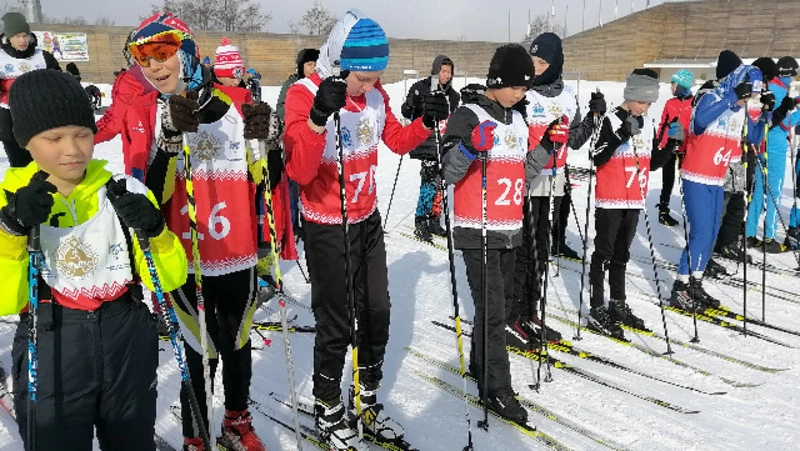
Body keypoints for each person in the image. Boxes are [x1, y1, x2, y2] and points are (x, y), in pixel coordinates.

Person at [283, 10, 448, 450]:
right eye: (361, 76)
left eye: (376, 76)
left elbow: (396, 139)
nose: (369, 85)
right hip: (325, 225)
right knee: (335, 323)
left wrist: (427, 123)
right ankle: (327, 406)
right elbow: (299, 172)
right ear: (339, 63)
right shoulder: (303, 94)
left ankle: (367, 400)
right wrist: (319, 118)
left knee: (377, 312)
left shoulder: (375, 98)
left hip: (367, 221)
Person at [0, 69, 187, 450]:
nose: (72, 149)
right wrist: (12, 232)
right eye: (54, 138)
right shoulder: (9, 202)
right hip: (53, 338)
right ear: (27, 142)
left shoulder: (123, 192)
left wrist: (156, 231)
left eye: (83, 134)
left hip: (126, 335)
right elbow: (5, 298)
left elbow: (169, 279)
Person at [124, 12, 274, 450]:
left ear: (186, 51)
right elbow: (146, 194)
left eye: (163, 53)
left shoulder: (233, 105)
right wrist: (169, 140)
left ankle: (236, 420)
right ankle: (195, 435)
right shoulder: (146, 114)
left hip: (238, 253)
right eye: (144, 58)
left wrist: (268, 141)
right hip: (185, 258)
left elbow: (261, 178)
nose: (154, 66)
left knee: (238, 344)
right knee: (198, 351)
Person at [443, 43, 549, 425]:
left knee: (499, 309)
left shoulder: (518, 121)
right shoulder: (467, 115)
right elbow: (448, 172)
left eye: (526, 88)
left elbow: (522, 176)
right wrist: (471, 147)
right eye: (517, 87)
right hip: (477, 229)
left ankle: (479, 363)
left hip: (509, 230)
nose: (522, 94)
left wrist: (548, 147)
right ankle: (498, 387)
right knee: (492, 314)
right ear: (497, 82)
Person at [507, 32, 600, 348]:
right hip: (524, 178)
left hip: (553, 180)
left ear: (556, 62)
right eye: (533, 60)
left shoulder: (566, 95)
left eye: (542, 61)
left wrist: (593, 117)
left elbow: (574, 140)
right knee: (523, 251)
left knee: (541, 249)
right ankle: (512, 315)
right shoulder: (523, 94)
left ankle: (530, 312)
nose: (535, 67)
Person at [670, 60, 762, 312]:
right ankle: (680, 286)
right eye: (747, 94)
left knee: (711, 232)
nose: (747, 100)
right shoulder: (711, 96)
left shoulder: (740, 108)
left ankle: (695, 280)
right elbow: (699, 122)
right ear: (738, 85)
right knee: (700, 231)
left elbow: (754, 138)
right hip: (696, 176)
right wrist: (731, 97)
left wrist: (762, 114)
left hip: (717, 178)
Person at [585, 69, 671, 339]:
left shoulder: (647, 122)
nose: (645, 109)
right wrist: (621, 134)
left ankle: (617, 303)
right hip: (610, 200)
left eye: (649, 104)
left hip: (635, 199)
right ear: (631, 95)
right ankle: (597, 307)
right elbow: (595, 156)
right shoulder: (610, 119)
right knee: (603, 254)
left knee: (622, 255)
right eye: (643, 102)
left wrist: (672, 145)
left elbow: (652, 163)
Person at [713, 56, 776, 265]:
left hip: (740, 157)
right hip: (720, 159)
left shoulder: (744, 100)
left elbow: (755, 136)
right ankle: (709, 244)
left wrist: (767, 112)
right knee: (720, 204)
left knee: (738, 202)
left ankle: (728, 243)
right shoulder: (714, 94)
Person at [401, 54, 460, 241]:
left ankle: (434, 219)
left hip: (444, 143)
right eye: (443, 71)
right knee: (428, 183)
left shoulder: (453, 95)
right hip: (426, 142)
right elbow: (406, 111)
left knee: (441, 183)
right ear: (435, 70)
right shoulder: (421, 88)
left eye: (449, 72)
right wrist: (411, 104)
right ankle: (421, 221)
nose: (446, 75)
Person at [745, 56, 800, 253]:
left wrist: (794, 102)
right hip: (774, 148)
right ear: (786, 73)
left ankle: (749, 233)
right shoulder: (779, 90)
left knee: (759, 191)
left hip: (763, 145)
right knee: (774, 191)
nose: (793, 80)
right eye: (792, 76)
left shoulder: (770, 87)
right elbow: (784, 123)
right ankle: (769, 237)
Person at [0, 12, 61, 168]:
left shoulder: (42, 57)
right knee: (21, 166)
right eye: (17, 36)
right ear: (8, 38)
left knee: (45, 164)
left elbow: (58, 83)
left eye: (25, 35)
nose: (23, 40)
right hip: (10, 120)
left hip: (40, 118)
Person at [278, 48, 319, 242]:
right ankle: (293, 224)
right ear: (301, 66)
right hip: (295, 141)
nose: (313, 68)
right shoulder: (292, 84)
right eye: (309, 64)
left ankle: (310, 221)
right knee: (294, 186)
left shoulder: (320, 86)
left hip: (316, 141)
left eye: (316, 64)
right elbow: (281, 109)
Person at [656, 69, 695, 227]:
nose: (671, 87)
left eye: (673, 84)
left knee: (687, 181)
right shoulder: (670, 103)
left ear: (682, 85)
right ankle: (663, 211)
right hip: (669, 147)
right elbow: (663, 124)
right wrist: (660, 142)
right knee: (668, 180)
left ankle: (691, 212)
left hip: (686, 148)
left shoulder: (694, 103)